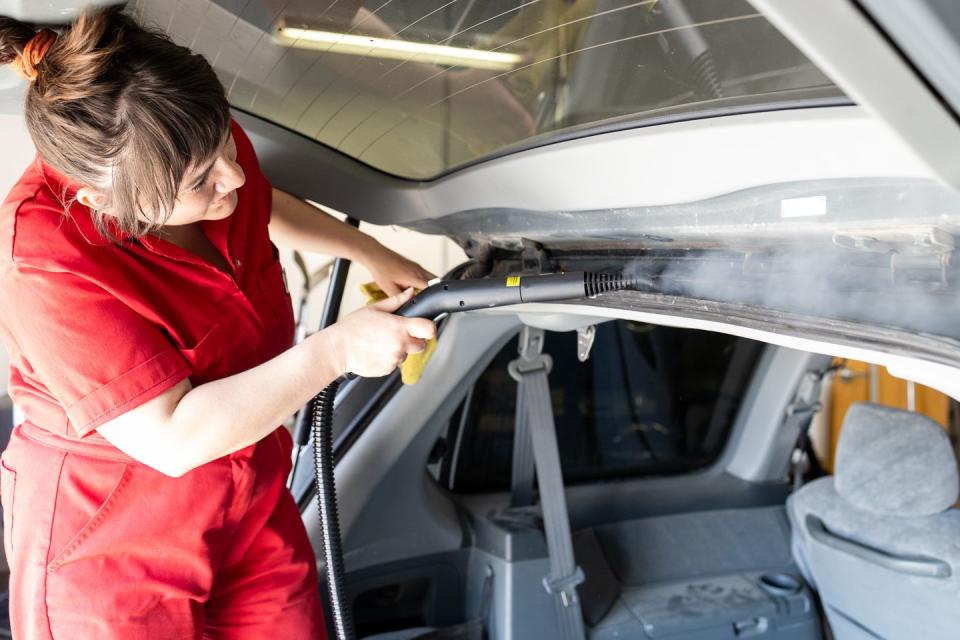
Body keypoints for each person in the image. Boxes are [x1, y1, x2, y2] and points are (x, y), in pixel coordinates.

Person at [0, 7, 437, 639]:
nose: (231, 174)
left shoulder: (191, 146)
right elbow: (172, 437)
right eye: (200, 180)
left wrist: (365, 249)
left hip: (247, 498)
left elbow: (257, 200)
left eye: (225, 143)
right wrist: (335, 351)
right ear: (104, 200)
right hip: (113, 543)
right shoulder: (45, 255)